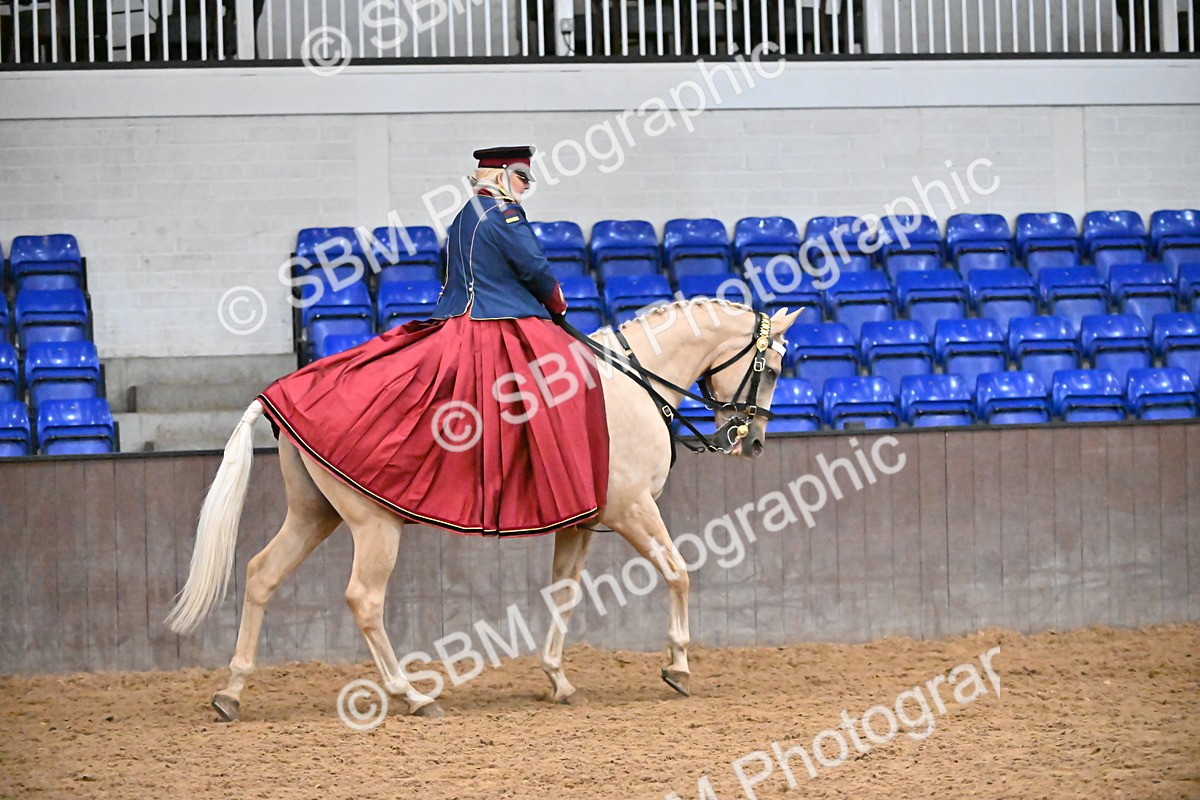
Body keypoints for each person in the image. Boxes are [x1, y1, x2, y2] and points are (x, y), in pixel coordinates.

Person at [258, 145, 610, 537]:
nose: (527, 186)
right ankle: (560, 487)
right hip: (491, 319)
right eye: (522, 177)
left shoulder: (464, 215)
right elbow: (535, 269)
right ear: (500, 176)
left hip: (455, 317)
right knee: (573, 366)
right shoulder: (505, 214)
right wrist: (557, 305)